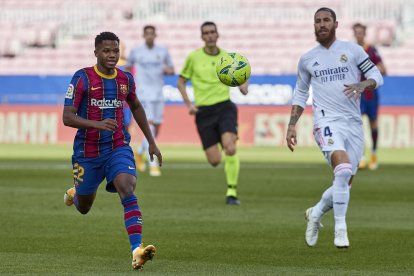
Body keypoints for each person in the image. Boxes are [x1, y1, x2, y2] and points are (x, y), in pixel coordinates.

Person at [62, 32, 162, 270]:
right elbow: (67, 117)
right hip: (87, 152)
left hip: (117, 146)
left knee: (127, 187)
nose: (112, 55)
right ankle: (75, 193)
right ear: (95, 52)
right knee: (84, 207)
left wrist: (151, 141)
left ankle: (137, 250)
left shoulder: (125, 79)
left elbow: (136, 105)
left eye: (115, 51)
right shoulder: (82, 78)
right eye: (106, 51)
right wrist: (97, 124)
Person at [286, 8, 383, 248]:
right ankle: (341, 229)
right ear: (314, 26)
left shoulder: (352, 51)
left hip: (352, 123)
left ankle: (316, 213)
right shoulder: (307, 58)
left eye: (326, 20)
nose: (321, 24)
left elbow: (377, 76)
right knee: (341, 171)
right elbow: (300, 92)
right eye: (317, 21)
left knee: (344, 182)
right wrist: (291, 125)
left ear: (336, 24)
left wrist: (363, 84)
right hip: (325, 121)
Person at [177, 21, 248, 205]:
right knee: (215, 160)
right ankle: (225, 139)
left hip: (225, 107)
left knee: (230, 148)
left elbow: (242, 75)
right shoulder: (193, 58)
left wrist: (243, 85)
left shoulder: (228, 57)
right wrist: (189, 105)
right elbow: (181, 81)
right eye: (206, 33)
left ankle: (231, 192)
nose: (209, 35)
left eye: (212, 32)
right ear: (202, 37)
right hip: (203, 112)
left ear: (217, 35)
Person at [126, 25, 174, 177]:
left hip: (158, 93)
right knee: (151, 124)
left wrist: (167, 70)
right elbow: (127, 67)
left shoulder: (163, 51)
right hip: (143, 93)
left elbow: (172, 69)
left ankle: (140, 152)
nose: (149, 36)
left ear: (155, 35)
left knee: (156, 127)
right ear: (143, 35)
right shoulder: (136, 51)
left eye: (152, 34)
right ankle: (153, 163)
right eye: (147, 34)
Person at [353, 23, 387, 170]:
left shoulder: (372, 50)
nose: (358, 35)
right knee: (357, 125)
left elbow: (383, 70)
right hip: (357, 94)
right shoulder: (351, 51)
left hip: (370, 93)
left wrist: (374, 69)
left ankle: (373, 153)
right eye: (356, 32)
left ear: (365, 33)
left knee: (373, 123)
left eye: (361, 32)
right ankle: (361, 156)